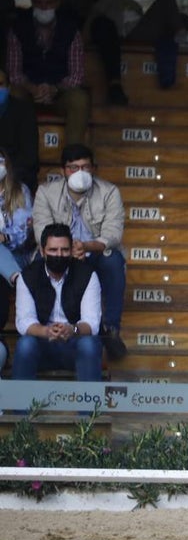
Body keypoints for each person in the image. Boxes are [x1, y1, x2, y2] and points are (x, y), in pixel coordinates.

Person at [32, 143, 128, 361]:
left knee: (114, 261)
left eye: (85, 167)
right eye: (73, 168)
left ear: (93, 169)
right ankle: (39, 329)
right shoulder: (46, 192)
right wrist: (66, 250)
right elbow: (41, 232)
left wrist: (86, 247)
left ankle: (110, 330)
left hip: (94, 252)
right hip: (59, 252)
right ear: (63, 170)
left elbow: (113, 234)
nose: (80, 172)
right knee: (39, 260)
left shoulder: (109, 192)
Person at [12, 223, 103, 381]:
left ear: (71, 251)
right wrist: (47, 331)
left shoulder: (87, 275)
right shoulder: (28, 276)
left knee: (89, 344)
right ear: (42, 251)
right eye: (53, 250)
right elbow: (24, 321)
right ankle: (20, 398)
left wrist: (72, 329)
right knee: (25, 345)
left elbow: (91, 323)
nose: (59, 255)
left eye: (64, 250)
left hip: (74, 343)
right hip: (42, 344)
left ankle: (89, 398)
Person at [5, 0, 90, 144]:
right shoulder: (18, 28)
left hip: (60, 93)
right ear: (32, 2)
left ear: (57, 3)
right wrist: (32, 88)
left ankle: (73, 155)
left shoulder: (71, 30)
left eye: (49, 3)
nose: (44, 7)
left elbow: (77, 75)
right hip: (28, 92)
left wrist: (54, 89)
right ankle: (12, 153)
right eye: (39, 3)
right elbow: (14, 72)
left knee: (79, 99)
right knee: (12, 94)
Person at [0, 146, 35, 330]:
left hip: (18, 255)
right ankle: (16, 279)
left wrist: (5, 237)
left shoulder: (20, 191)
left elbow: (23, 231)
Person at [0, 66, 41, 191]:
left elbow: (29, 158)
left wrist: (4, 170)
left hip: (15, 175)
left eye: (0, 84)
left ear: (8, 88)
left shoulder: (24, 111)